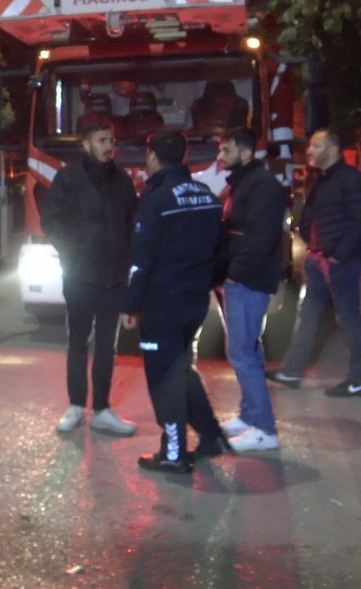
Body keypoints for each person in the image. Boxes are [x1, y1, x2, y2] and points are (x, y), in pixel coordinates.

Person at [121, 131, 228, 473]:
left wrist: (130, 304)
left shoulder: (156, 199)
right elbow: (220, 249)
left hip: (162, 303)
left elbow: (142, 259)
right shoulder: (206, 195)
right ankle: (211, 436)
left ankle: (173, 453)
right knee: (181, 369)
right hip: (195, 300)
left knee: (164, 376)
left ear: (152, 156)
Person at [42, 119, 138, 436]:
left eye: (111, 140)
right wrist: (71, 254)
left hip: (114, 278)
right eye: (101, 140)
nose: (109, 146)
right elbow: (51, 220)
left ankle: (101, 410)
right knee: (78, 342)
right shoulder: (69, 177)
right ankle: (75, 406)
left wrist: (128, 262)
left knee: (107, 346)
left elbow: (132, 224)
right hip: (79, 276)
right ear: (86, 145)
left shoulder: (123, 180)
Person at [269, 128, 361, 397]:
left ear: (334, 149)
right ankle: (293, 371)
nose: (310, 150)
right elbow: (310, 215)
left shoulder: (350, 178)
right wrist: (312, 245)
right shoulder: (324, 178)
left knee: (348, 318)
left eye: (317, 146)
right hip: (319, 258)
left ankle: (359, 378)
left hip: (340, 261)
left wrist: (337, 254)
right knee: (308, 315)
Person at [214, 127, 285, 451]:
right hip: (243, 278)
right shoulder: (246, 182)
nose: (220, 156)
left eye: (226, 150)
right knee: (248, 350)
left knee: (241, 352)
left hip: (248, 280)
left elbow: (259, 239)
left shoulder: (263, 186)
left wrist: (234, 274)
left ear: (245, 152)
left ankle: (264, 429)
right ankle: (249, 415)